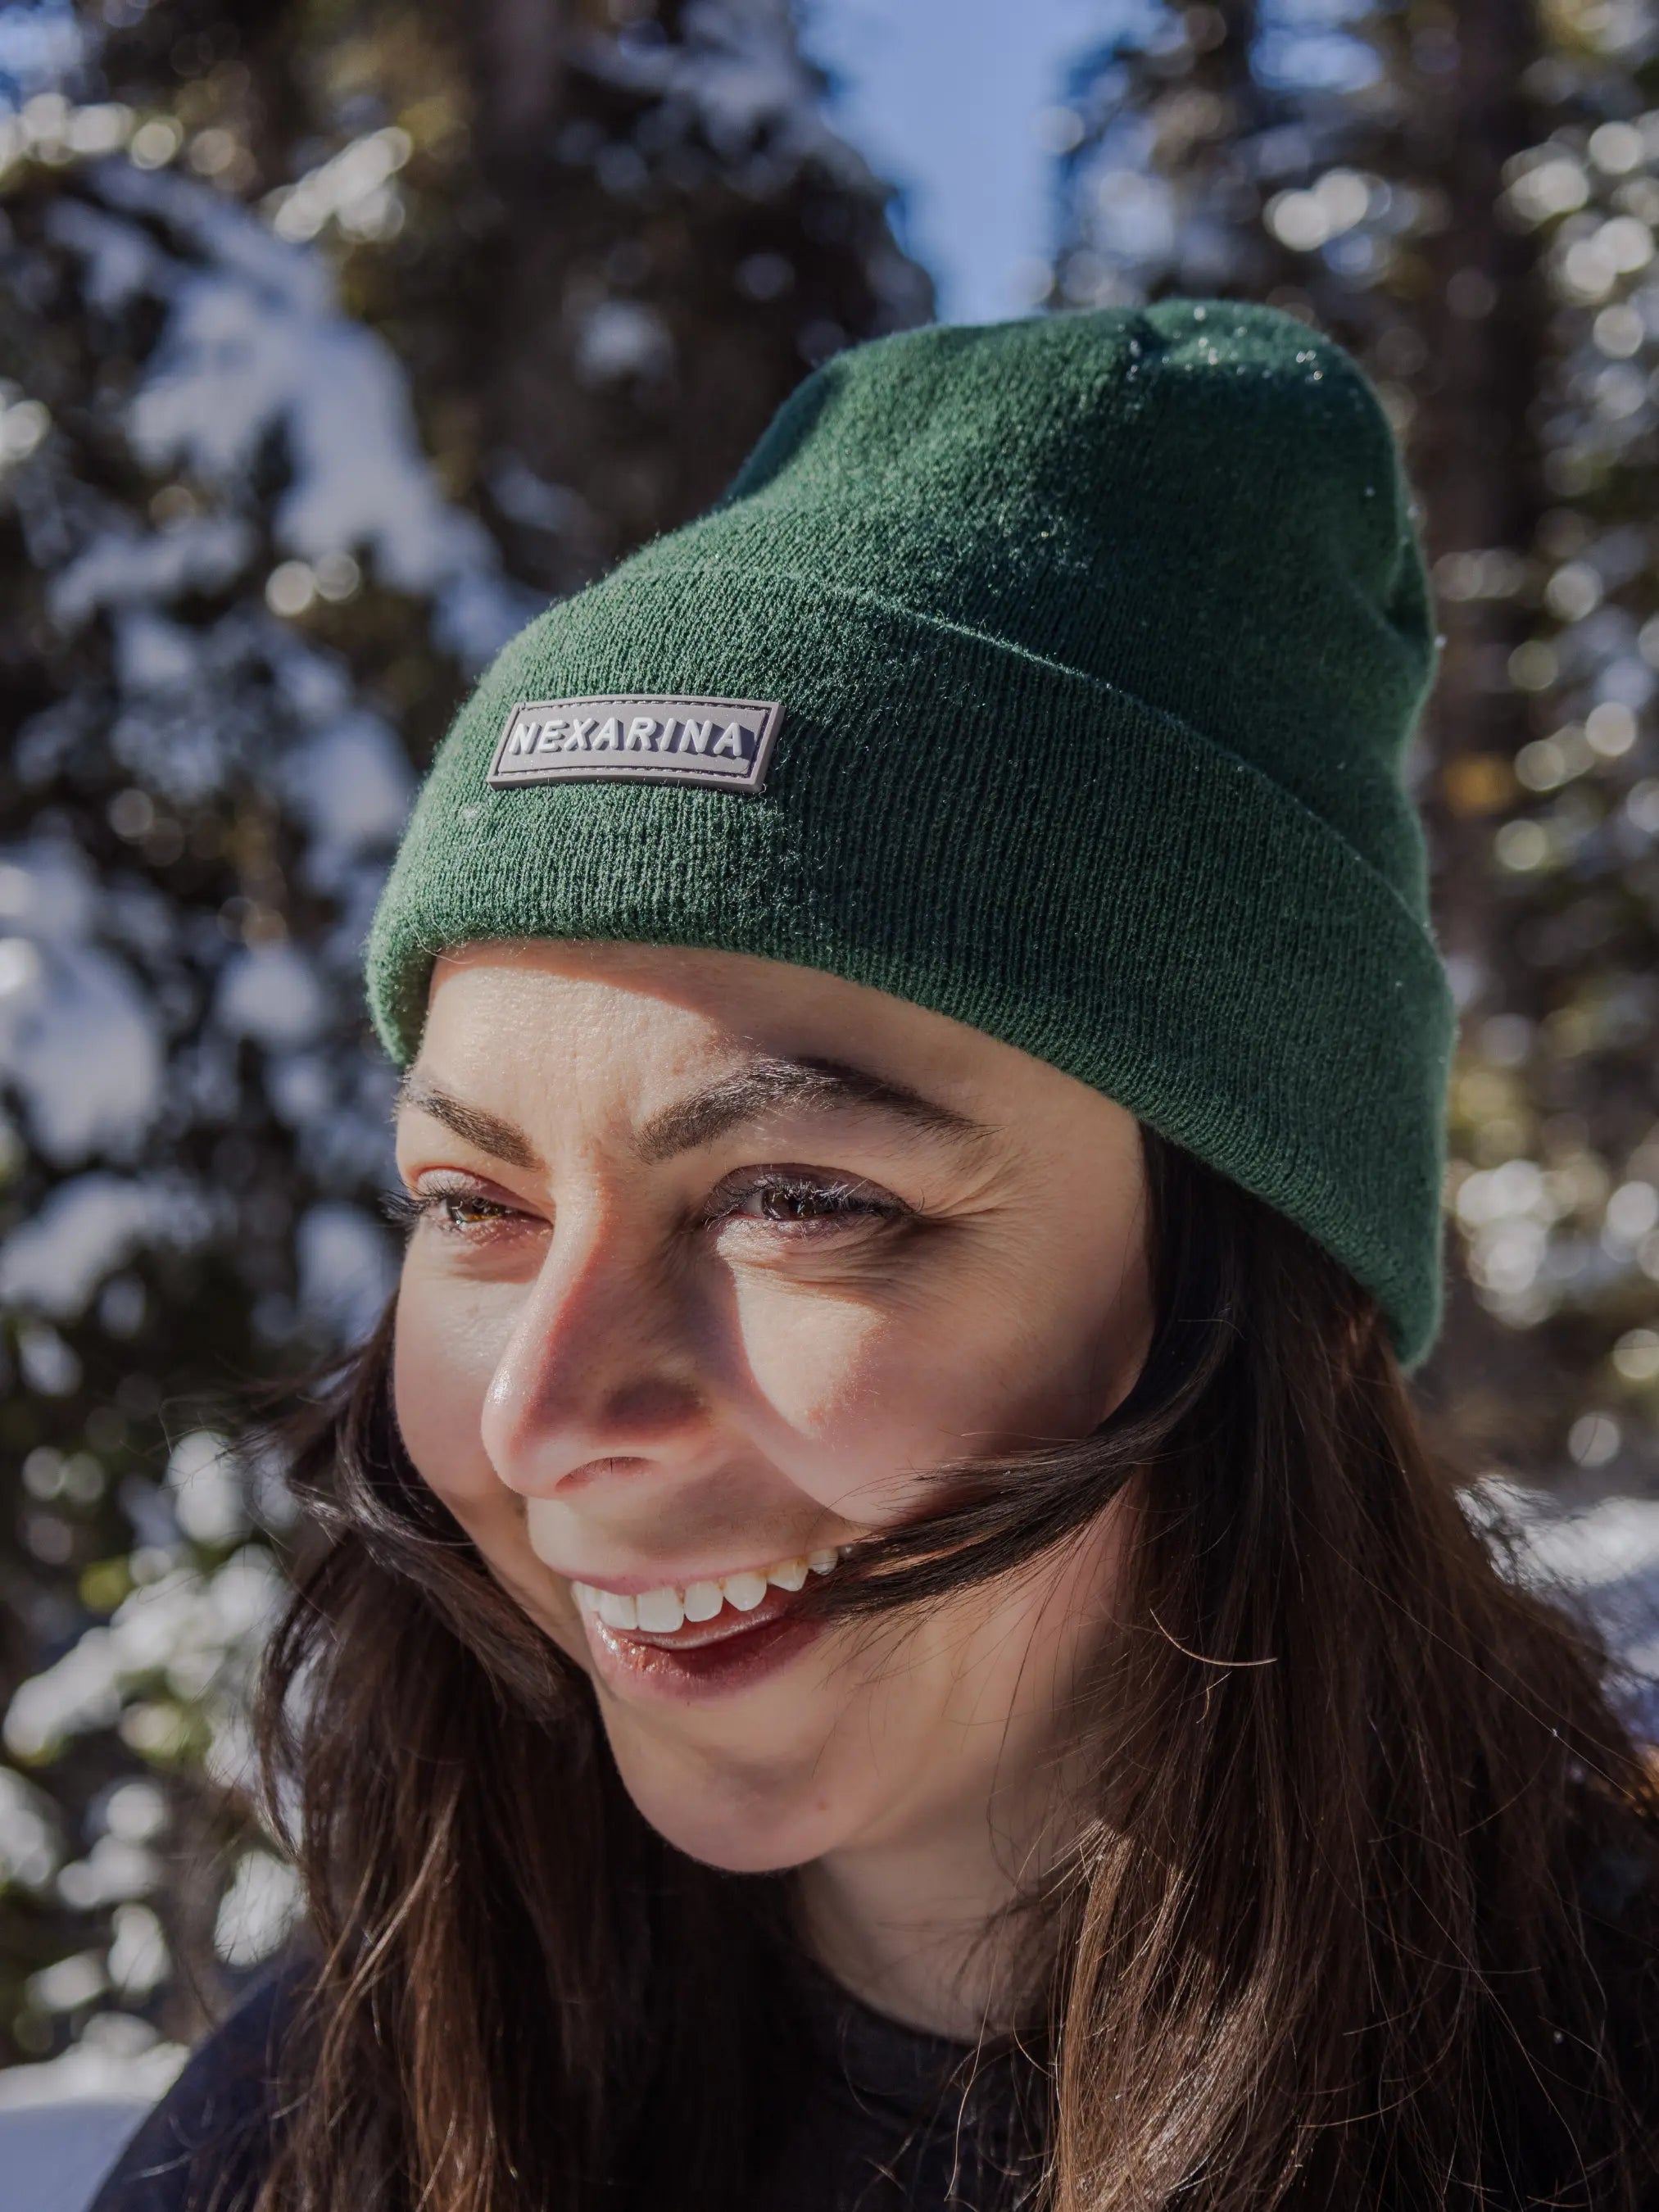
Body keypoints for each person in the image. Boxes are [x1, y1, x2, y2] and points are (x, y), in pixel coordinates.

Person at [91, 301, 1659, 2212]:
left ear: (1288, 1282)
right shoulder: (348, 2109)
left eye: (795, 1198)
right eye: (472, 1206)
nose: (537, 1414)